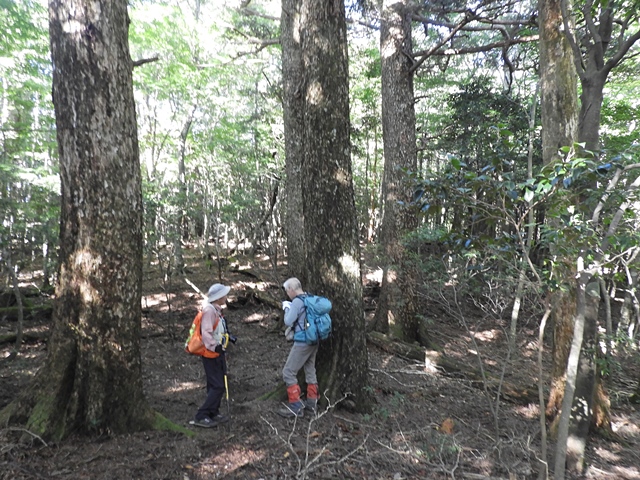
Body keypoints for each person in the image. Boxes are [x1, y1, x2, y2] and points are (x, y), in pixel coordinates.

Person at [278, 277, 320, 418]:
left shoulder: (296, 302)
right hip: (314, 340)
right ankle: (311, 405)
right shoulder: (310, 297)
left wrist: (286, 308)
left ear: (291, 289)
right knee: (310, 370)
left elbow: (288, 320)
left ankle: (295, 406)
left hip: (303, 341)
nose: (287, 293)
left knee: (288, 372)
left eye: (287, 290)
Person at [193, 283, 232, 428]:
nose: (226, 297)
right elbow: (206, 332)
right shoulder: (210, 311)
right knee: (218, 386)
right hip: (211, 353)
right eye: (225, 295)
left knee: (214, 384)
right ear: (219, 297)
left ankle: (213, 412)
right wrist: (216, 347)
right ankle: (201, 415)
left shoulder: (216, 310)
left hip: (216, 352)